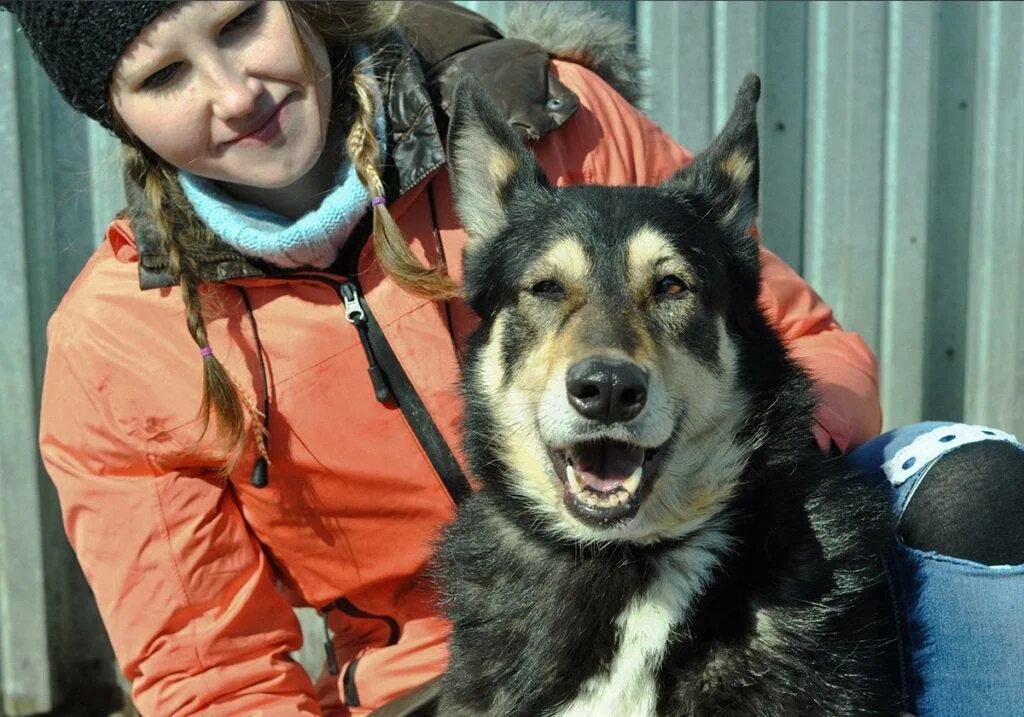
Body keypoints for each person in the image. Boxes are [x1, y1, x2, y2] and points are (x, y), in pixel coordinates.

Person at [2, 1, 1020, 715]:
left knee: (970, 482)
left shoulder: (549, 119)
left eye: (237, 22)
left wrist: (774, 461)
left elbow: (795, 338)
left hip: (730, 555)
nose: (233, 91)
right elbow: (207, 672)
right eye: (164, 74)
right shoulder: (118, 346)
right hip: (444, 672)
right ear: (113, 112)